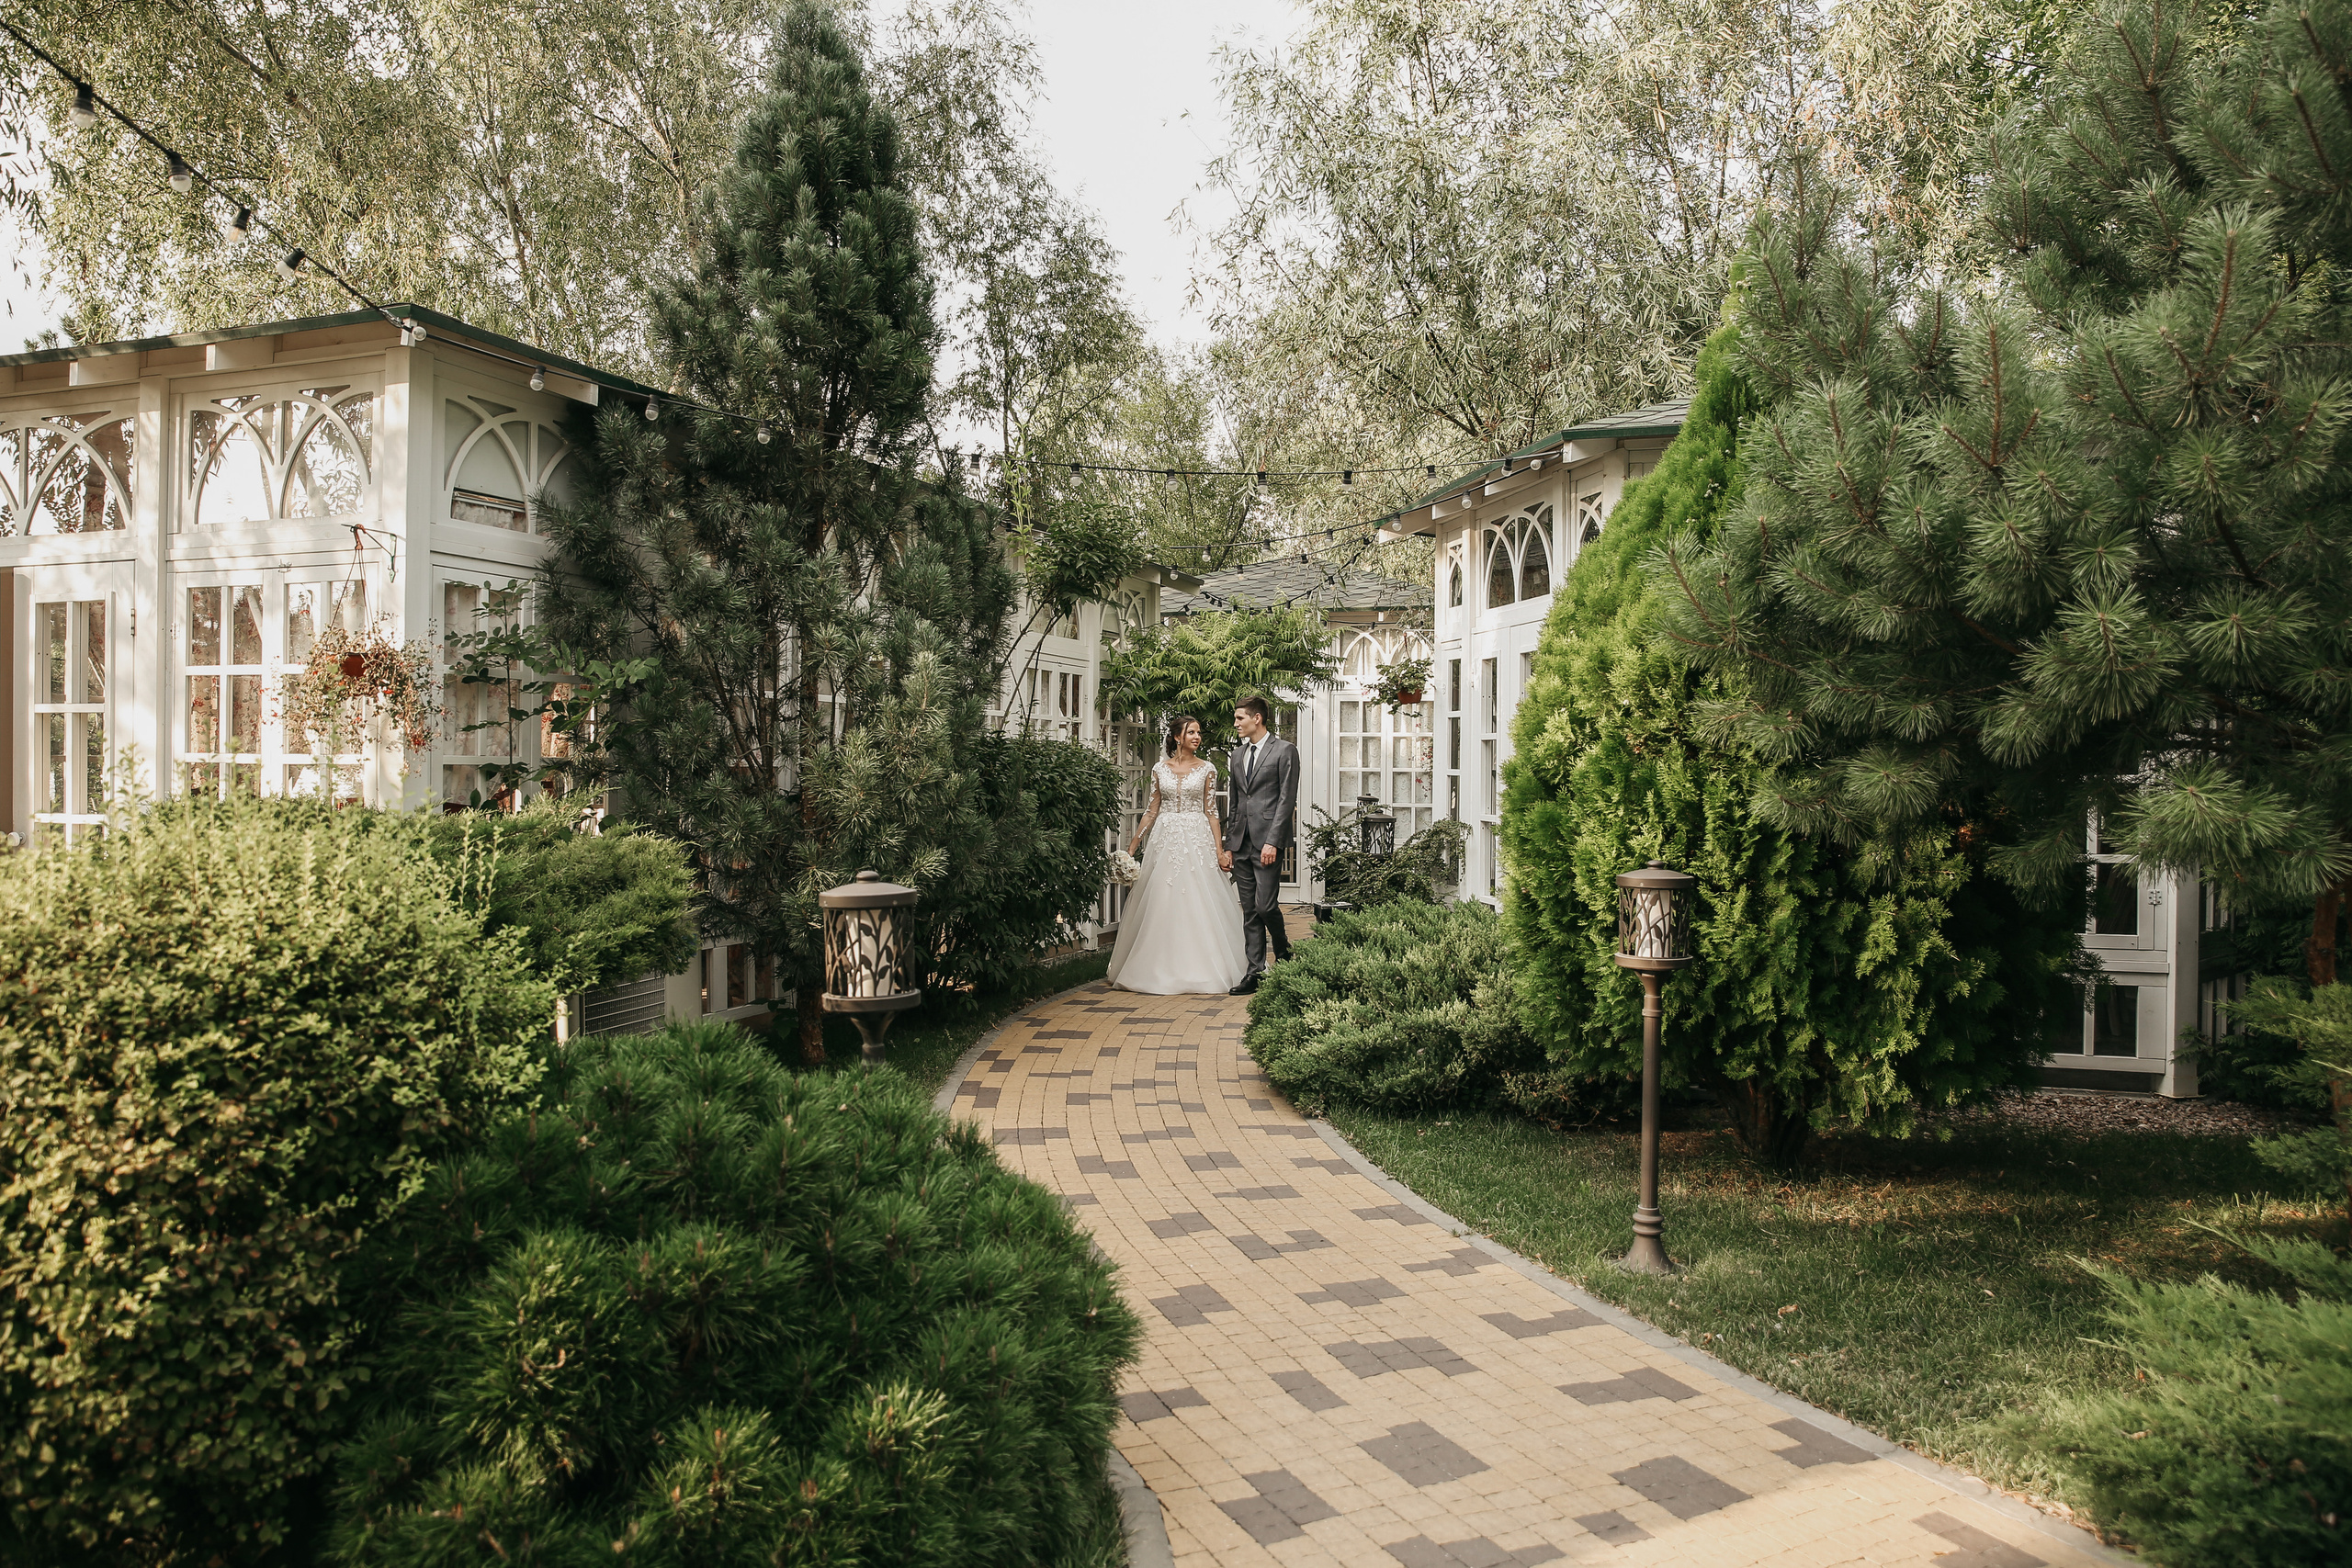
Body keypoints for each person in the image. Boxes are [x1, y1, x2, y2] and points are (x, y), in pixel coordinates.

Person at [1106, 715, 1248, 995]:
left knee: (1200, 898)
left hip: (1197, 837)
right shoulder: (1160, 768)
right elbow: (1151, 809)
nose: (1197, 737)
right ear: (1177, 737)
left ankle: (1205, 966)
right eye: (1191, 732)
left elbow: (1212, 812)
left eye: (1198, 732)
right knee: (1161, 898)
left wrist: (1219, 850)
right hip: (1165, 837)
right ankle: (1155, 965)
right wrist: (1133, 845)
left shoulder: (1207, 769)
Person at [1223, 694, 1298, 995]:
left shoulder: (1284, 751)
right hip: (1241, 841)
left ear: (1257, 718)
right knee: (1249, 911)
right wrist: (1230, 843)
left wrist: (1273, 842)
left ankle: (1283, 953)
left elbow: (1286, 800)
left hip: (1267, 842)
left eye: (1240, 718)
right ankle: (1254, 972)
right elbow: (1235, 802)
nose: (1236, 723)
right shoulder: (1237, 756)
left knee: (1265, 906)